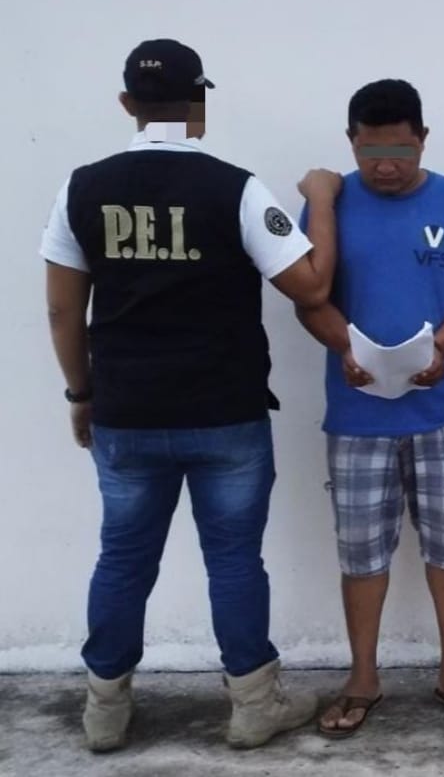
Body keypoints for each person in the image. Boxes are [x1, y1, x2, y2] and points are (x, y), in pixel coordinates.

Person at [40, 38, 335, 751]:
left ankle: (104, 709)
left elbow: (61, 309)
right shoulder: (236, 189)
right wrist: (321, 201)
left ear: (126, 105)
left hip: (127, 413)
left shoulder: (81, 188)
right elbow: (311, 286)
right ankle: (253, 704)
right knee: (233, 560)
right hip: (223, 412)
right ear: (200, 103)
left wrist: (81, 392)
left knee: (122, 558)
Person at [294, 79, 444, 736]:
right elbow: (309, 297)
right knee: (361, 553)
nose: (386, 166)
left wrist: (442, 347)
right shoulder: (328, 207)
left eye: (401, 151)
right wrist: (345, 346)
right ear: (350, 142)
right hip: (357, 416)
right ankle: (362, 679)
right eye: (371, 152)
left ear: (423, 140)